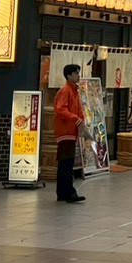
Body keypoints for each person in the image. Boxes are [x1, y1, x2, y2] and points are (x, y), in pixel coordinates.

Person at [54, 63, 86, 203]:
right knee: (66, 163)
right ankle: (68, 193)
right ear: (69, 75)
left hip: (70, 131)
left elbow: (76, 110)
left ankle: (62, 193)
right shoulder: (66, 91)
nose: (78, 76)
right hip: (66, 132)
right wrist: (76, 119)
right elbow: (61, 109)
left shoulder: (74, 91)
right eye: (76, 73)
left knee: (65, 163)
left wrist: (81, 121)